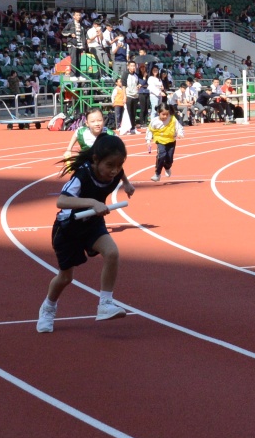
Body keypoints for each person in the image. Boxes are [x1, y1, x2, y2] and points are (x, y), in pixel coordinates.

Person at [37, 133, 135, 331]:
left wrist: (126, 182)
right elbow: (62, 201)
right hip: (68, 228)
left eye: (119, 165)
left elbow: (120, 171)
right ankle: (48, 307)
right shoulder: (82, 175)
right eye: (110, 165)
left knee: (112, 252)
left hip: (92, 224)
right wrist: (92, 202)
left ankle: (105, 304)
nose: (114, 170)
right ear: (96, 160)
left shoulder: (115, 171)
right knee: (66, 278)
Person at [147, 102, 180, 182]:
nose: (165, 116)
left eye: (167, 114)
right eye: (163, 114)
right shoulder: (154, 121)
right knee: (161, 155)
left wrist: (179, 133)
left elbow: (178, 127)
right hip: (160, 140)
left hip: (171, 141)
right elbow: (150, 130)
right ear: (158, 113)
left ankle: (167, 167)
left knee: (169, 159)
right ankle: (157, 174)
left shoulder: (172, 119)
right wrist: (148, 140)